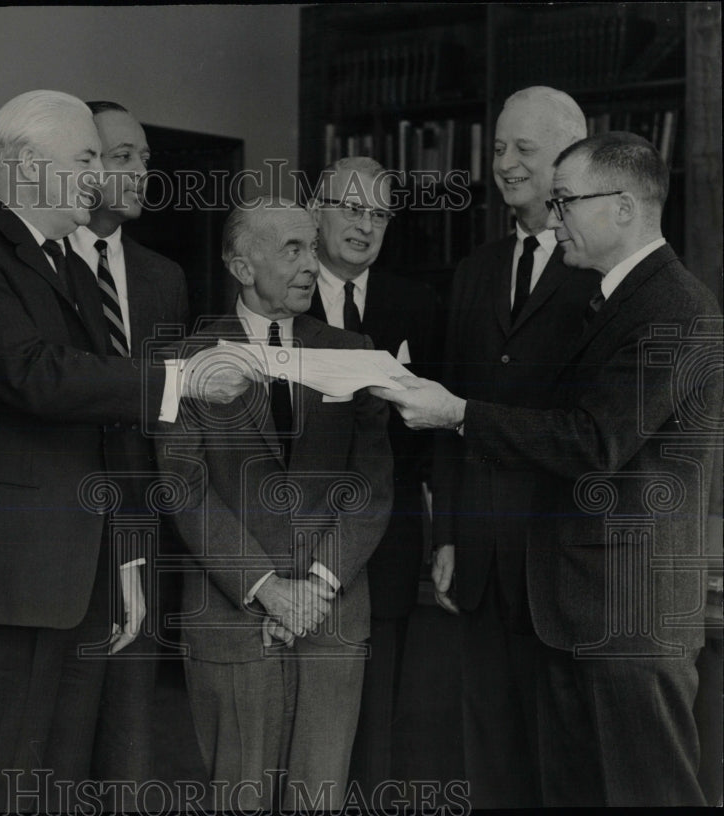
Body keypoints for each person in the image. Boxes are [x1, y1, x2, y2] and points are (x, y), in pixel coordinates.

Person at [0, 90, 248, 813]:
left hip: (84, 585)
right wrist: (181, 378)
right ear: (29, 167)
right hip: (0, 585)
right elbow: (35, 376)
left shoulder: (67, 264)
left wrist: (126, 558)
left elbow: (108, 429)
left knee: (58, 790)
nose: (100, 176)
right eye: (87, 158)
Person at [376, 131, 723, 807]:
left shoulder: (673, 309)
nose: (551, 216)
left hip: (627, 617)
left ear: (622, 208)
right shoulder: (615, 299)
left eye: (565, 202)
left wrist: (458, 413)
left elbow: (593, 442)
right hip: (582, 606)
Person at [158, 198, 393, 812]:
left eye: (313, 248)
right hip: (232, 621)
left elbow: (372, 485)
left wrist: (315, 584)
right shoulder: (188, 356)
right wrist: (266, 586)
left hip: (332, 617)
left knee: (319, 800)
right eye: (292, 249)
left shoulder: (354, 350)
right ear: (241, 265)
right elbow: (183, 486)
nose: (312, 264)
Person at [429, 87, 596, 807]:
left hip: (562, 558)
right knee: (487, 742)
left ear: (567, 158)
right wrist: (447, 533)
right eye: (497, 148)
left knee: (562, 751)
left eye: (522, 150)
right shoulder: (474, 270)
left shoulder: (600, 270)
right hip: (480, 555)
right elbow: (448, 409)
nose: (502, 164)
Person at [66, 100, 189, 807]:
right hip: (59, 538)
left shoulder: (161, 277)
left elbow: (170, 417)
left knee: (129, 748)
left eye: (144, 157)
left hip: (139, 538)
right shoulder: (43, 263)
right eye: (123, 157)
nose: (142, 171)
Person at [305, 156, 438, 792]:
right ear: (315, 210)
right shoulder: (283, 290)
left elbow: (438, 433)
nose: (364, 225)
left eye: (378, 213)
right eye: (351, 208)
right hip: (290, 538)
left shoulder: (419, 304)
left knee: (375, 716)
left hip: (386, 539)